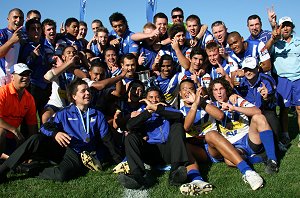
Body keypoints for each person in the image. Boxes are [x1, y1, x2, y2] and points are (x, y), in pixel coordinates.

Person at [0, 78, 122, 183]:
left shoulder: (97, 115)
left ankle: (28, 169)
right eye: (83, 91)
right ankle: (3, 170)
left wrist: (118, 162)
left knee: (61, 175)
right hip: (63, 148)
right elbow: (44, 127)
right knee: (36, 139)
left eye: (88, 90)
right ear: (74, 96)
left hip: (79, 155)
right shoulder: (64, 113)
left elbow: (108, 140)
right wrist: (55, 133)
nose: (88, 93)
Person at [118, 86, 189, 189]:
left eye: (157, 97)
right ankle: (138, 175)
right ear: (145, 99)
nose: (154, 100)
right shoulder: (142, 112)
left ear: (161, 98)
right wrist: (148, 112)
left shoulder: (166, 108)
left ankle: (175, 172)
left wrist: (158, 109)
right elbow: (129, 126)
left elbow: (179, 116)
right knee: (130, 137)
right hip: (152, 152)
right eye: (151, 97)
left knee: (177, 126)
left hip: (169, 151)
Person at [207, 77, 279, 175]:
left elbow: (257, 111)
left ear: (226, 89)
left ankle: (272, 160)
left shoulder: (236, 99)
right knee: (229, 161)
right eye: (215, 90)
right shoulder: (211, 106)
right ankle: (260, 158)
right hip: (233, 145)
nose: (219, 92)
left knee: (259, 117)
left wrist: (235, 108)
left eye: (221, 89)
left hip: (249, 139)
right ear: (212, 92)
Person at [265, 16, 300, 147]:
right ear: (279, 28)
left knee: (299, 108)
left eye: (288, 25)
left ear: (292, 27)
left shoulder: (298, 42)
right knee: (284, 109)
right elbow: (265, 50)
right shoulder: (275, 43)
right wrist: (273, 38)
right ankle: (285, 134)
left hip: (298, 79)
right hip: (283, 79)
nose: (286, 28)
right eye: (283, 26)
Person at [236, 57, 284, 150]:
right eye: (246, 69)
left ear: (258, 68)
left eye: (251, 69)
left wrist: (266, 98)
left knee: (270, 116)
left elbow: (274, 104)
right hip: (248, 113)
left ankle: (277, 141)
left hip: (265, 111)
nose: (248, 72)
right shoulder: (241, 83)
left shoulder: (267, 80)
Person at [0, 63, 38, 160]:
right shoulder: (2, 92)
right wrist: (14, 129)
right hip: (6, 134)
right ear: (12, 77)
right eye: (22, 74)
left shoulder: (29, 98)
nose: (26, 77)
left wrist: (31, 149)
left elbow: (32, 125)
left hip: (12, 137)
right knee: (1, 131)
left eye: (28, 75)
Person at [42, 45, 87, 123]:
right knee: (46, 116)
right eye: (68, 53)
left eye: (74, 53)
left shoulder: (80, 69)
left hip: (73, 105)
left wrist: (68, 65)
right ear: (63, 57)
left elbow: (85, 76)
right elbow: (47, 78)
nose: (71, 54)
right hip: (56, 104)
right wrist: (67, 64)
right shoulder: (57, 69)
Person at [18, 19, 51, 119]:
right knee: (30, 117)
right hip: (33, 86)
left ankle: (44, 134)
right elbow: (23, 66)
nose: (36, 31)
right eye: (33, 29)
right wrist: (32, 56)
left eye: (38, 28)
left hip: (44, 86)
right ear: (27, 32)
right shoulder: (26, 46)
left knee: (44, 115)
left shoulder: (41, 45)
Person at [0, 8, 24, 86]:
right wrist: (12, 41)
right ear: (8, 19)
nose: (18, 20)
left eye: (21, 18)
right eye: (15, 17)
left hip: (14, 82)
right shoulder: (2, 33)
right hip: (1, 80)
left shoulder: (22, 37)